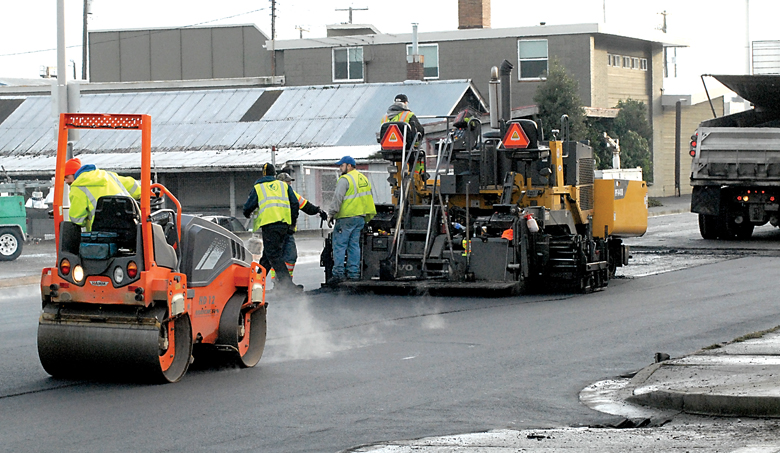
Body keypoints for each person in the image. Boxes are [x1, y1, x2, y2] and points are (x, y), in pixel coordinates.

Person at [243, 163, 301, 292]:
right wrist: (292, 223)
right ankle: (255, 283)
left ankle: (287, 285)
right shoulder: (283, 186)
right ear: (274, 174)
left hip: (269, 225)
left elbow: (249, 206)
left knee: (273, 255)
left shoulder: (259, 187)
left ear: (263, 174)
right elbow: (295, 204)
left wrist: (246, 213)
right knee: (267, 256)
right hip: (284, 225)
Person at [326, 156, 376, 285]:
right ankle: (354, 274)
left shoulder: (345, 179)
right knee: (354, 245)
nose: (340, 168)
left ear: (349, 166)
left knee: (339, 245)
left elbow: (338, 197)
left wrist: (331, 213)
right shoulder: (363, 178)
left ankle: (338, 274)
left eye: (341, 166)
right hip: (360, 218)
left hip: (346, 217)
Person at [269, 172, 328, 281]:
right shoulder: (273, 195)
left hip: (288, 232)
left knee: (291, 256)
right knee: (277, 258)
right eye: (288, 182)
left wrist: (318, 210)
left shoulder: (291, 193)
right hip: (277, 231)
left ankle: (287, 283)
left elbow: (305, 205)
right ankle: (277, 282)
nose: (290, 183)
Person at [63, 158, 142, 231]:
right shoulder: (106, 175)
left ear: (75, 173)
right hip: (131, 225)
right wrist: (143, 192)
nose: (66, 181)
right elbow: (130, 184)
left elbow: (77, 220)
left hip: (102, 231)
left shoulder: (77, 187)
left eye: (66, 177)